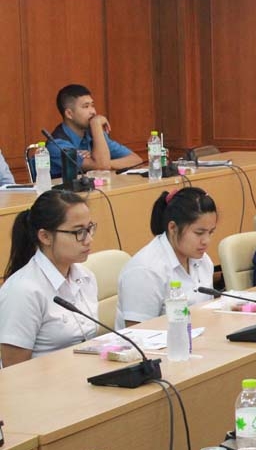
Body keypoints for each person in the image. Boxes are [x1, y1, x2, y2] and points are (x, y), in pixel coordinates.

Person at [0, 191, 98, 366]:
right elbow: (13, 369)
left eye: (89, 228)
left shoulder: (86, 277)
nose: (88, 239)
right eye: (79, 232)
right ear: (45, 236)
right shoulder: (22, 291)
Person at [116, 188, 217, 328]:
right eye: (199, 233)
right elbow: (138, 333)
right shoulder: (145, 270)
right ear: (173, 228)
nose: (206, 241)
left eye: (211, 232)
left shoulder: (203, 260)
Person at [48, 84, 142, 178]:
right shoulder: (56, 145)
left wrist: (103, 162)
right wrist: (96, 124)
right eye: (86, 107)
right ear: (69, 114)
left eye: (92, 105)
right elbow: (101, 166)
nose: (93, 112)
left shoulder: (93, 134)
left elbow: (136, 159)